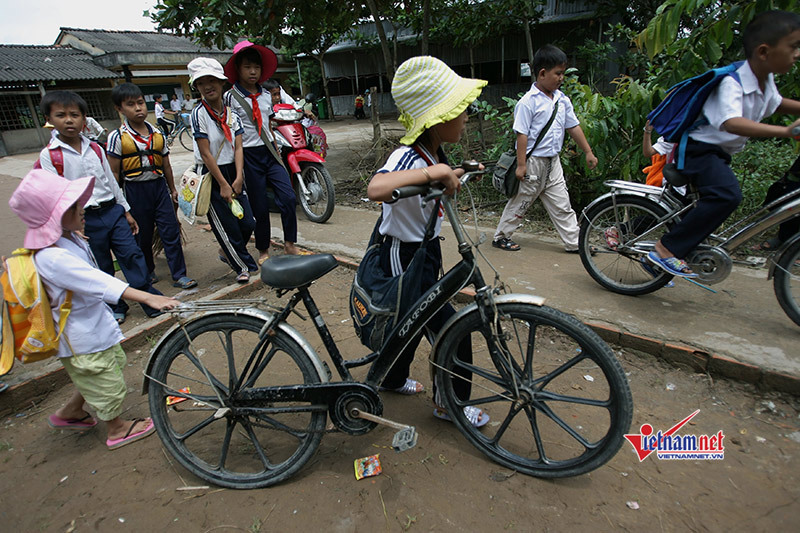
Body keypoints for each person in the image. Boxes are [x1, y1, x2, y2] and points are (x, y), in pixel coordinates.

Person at [8, 169, 180, 449]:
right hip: (81, 337)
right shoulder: (52, 258)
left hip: (93, 328)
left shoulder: (67, 240)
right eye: (72, 205)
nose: (83, 207)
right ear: (53, 218)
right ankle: (116, 429)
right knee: (105, 381)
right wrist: (147, 297)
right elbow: (96, 281)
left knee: (102, 371)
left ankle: (70, 412)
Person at [366, 56, 489, 428]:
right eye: (459, 109)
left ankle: (390, 378)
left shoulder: (434, 153)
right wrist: (433, 172)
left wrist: (455, 171)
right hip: (401, 255)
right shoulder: (408, 157)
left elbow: (432, 182)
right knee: (449, 325)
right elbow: (377, 188)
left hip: (425, 251)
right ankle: (450, 403)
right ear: (438, 116)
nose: (466, 115)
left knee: (410, 320)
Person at [648, 10, 800, 277]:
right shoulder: (732, 82)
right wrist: (786, 131)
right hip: (697, 150)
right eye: (793, 47)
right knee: (728, 195)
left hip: (717, 154)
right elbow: (732, 122)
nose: (797, 54)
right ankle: (665, 249)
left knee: (711, 204)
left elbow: (775, 104)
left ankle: (679, 249)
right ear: (764, 52)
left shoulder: (766, 81)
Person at [38, 90, 164, 324]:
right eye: (61, 115)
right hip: (85, 220)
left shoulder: (95, 148)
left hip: (112, 211)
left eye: (74, 115)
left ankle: (149, 299)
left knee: (131, 255)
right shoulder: (50, 155)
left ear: (84, 119)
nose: (68, 120)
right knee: (100, 263)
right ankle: (116, 304)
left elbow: (111, 181)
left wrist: (125, 210)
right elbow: (54, 193)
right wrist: (69, 224)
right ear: (49, 119)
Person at [492, 44, 597, 253]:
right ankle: (501, 236)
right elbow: (522, 134)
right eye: (558, 73)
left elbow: (573, 126)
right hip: (532, 163)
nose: (561, 78)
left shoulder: (562, 100)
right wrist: (521, 165)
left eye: (562, 73)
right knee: (520, 202)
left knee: (562, 204)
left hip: (553, 162)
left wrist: (588, 151)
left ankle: (574, 242)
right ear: (542, 73)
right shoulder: (527, 103)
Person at [106, 82, 197, 290]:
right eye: (131, 105)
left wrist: (172, 189)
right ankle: (147, 271)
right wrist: (119, 202)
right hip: (134, 191)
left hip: (159, 188)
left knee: (170, 231)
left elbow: (165, 164)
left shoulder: (157, 134)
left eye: (140, 103)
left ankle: (179, 274)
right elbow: (113, 173)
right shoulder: (117, 137)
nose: (138, 108)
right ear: (120, 109)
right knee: (142, 234)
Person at [223, 41, 300, 262]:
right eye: (247, 67)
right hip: (247, 156)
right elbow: (229, 132)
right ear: (238, 69)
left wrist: (276, 151)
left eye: (256, 66)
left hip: (270, 153)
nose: (253, 71)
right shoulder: (230, 97)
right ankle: (264, 250)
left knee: (287, 196)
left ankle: (289, 244)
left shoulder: (267, 95)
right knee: (259, 205)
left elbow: (268, 125)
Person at [188, 57, 260, 283]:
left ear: (222, 83)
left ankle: (230, 253)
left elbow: (238, 146)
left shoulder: (232, 115)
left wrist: (239, 177)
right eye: (202, 83)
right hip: (212, 175)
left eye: (212, 80)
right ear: (197, 87)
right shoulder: (198, 114)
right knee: (226, 224)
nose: (208, 86)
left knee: (248, 221)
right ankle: (241, 266)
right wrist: (223, 184)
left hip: (233, 171)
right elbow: (206, 153)